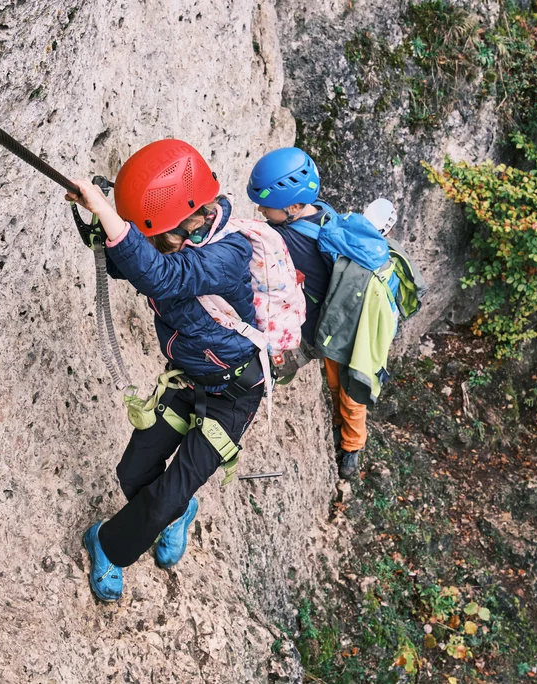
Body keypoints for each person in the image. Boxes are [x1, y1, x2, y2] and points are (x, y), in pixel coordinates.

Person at [70, 140, 265, 602]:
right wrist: (102, 221)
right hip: (188, 379)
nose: (159, 245)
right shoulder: (179, 238)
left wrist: (116, 222)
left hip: (234, 396)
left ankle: (109, 546)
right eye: (152, 236)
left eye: (163, 235)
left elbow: (162, 277)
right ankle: (177, 512)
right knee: (133, 471)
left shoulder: (227, 252)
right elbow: (131, 267)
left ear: (198, 217)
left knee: (164, 496)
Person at [246, 147, 365, 479]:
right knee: (340, 384)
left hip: (332, 328)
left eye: (266, 207)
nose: (260, 210)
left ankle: (352, 448)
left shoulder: (287, 241)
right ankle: (341, 427)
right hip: (336, 320)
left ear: (294, 207)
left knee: (349, 389)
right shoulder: (323, 213)